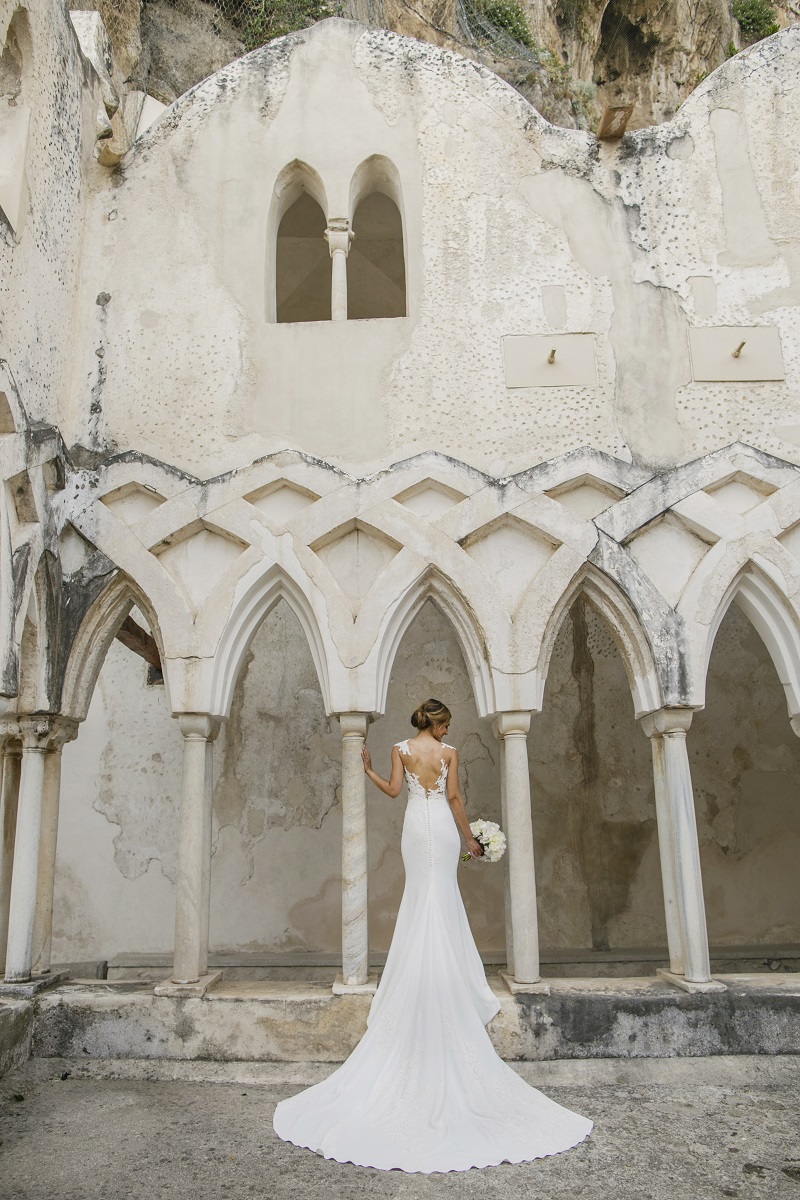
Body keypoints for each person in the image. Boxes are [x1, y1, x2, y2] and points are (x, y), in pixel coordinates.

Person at [273, 698, 592, 1172]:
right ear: (439, 723)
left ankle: (424, 976)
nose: (447, 730)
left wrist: (366, 770)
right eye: (447, 724)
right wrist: (469, 839)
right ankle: (451, 980)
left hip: (413, 833)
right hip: (441, 830)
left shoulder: (401, 749)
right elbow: (456, 800)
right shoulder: (448, 754)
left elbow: (393, 791)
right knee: (441, 897)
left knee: (421, 898)